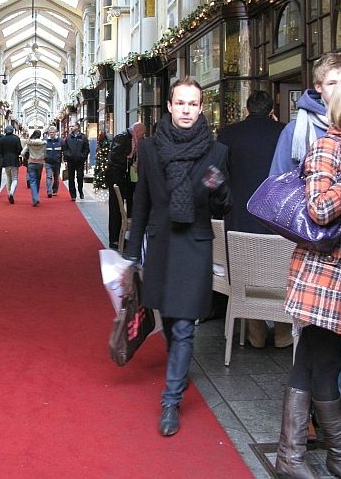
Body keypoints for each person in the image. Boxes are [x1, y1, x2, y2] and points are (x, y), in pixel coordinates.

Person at [275, 77, 341, 478]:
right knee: (312, 359)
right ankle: (300, 456)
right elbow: (319, 208)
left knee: (327, 360)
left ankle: (334, 454)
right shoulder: (328, 147)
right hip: (324, 273)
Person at [124, 77, 232, 437]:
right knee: (168, 318)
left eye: (193, 104)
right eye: (180, 103)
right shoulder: (152, 149)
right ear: (170, 106)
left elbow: (224, 204)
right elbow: (142, 202)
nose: (186, 109)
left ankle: (170, 400)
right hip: (161, 242)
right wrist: (130, 250)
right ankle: (179, 368)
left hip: (195, 242)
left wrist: (219, 187)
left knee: (185, 324)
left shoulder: (216, 153)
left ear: (201, 108)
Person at [217, 90, 290, 348]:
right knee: (280, 274)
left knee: (246, 275)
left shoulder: (228, 134)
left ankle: (255, 334)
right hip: (277, 218)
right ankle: (283, 333)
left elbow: (217, 175)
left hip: (240, 217)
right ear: (272, 109)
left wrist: (226, 201)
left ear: (247, 109)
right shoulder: (285, 132)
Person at [269, 52, 341, 176]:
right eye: (332, 83)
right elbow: (277, 180)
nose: (340, 89)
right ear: (319, 87)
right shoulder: (295, 130)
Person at [107, 122, 145, 249]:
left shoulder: (133, 139)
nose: (143, 137)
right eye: (142, 134)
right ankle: (115, 240)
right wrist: (129, 162)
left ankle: (126, 238)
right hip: (116, 177)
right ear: (137, 131)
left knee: (131, 204)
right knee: (116, 208)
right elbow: (114, 157)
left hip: (125, 177)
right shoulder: (122, 137)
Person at [62, 121, 89, 201]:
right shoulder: (68, 137)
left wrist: (83, 156)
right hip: (71, 161)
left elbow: (86, 148)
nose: (71, 127)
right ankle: (73, 194)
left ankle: (80, 191)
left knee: (80, 177)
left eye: (72, 126)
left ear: (77, 127)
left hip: (80, 161)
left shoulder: (83, 137)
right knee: (71, 178)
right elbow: (65, 148)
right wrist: (67, 155)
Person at [0, 124, 23, 204]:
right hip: (14, 160)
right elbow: (19, 149)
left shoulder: (2, 139)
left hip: (6, 160)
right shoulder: (16, 138)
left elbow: (0, 151)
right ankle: (11, 192)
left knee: (8, 177)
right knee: (15, 178)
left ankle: (8, 193)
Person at [21, 130, 46, 207]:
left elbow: (22, 153)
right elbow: (46, 153)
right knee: (38, 180)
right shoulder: (44, 143)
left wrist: (27, 157)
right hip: (40, 163)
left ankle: (35, 197)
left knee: (32, 181)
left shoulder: (29, 143)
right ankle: (36, 196)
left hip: (31, 162)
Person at [44, 126, 63, 198]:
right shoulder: (45, 141)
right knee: (49, 176)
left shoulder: (60, 141)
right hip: (48, 161)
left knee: (56, 177)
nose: (51, 133)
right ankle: (49, 191)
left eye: (53, 132)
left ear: (56, 132)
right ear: (48, 132)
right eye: (50, 132)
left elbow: (63, 150)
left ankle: (55, 190)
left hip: (57, 162)